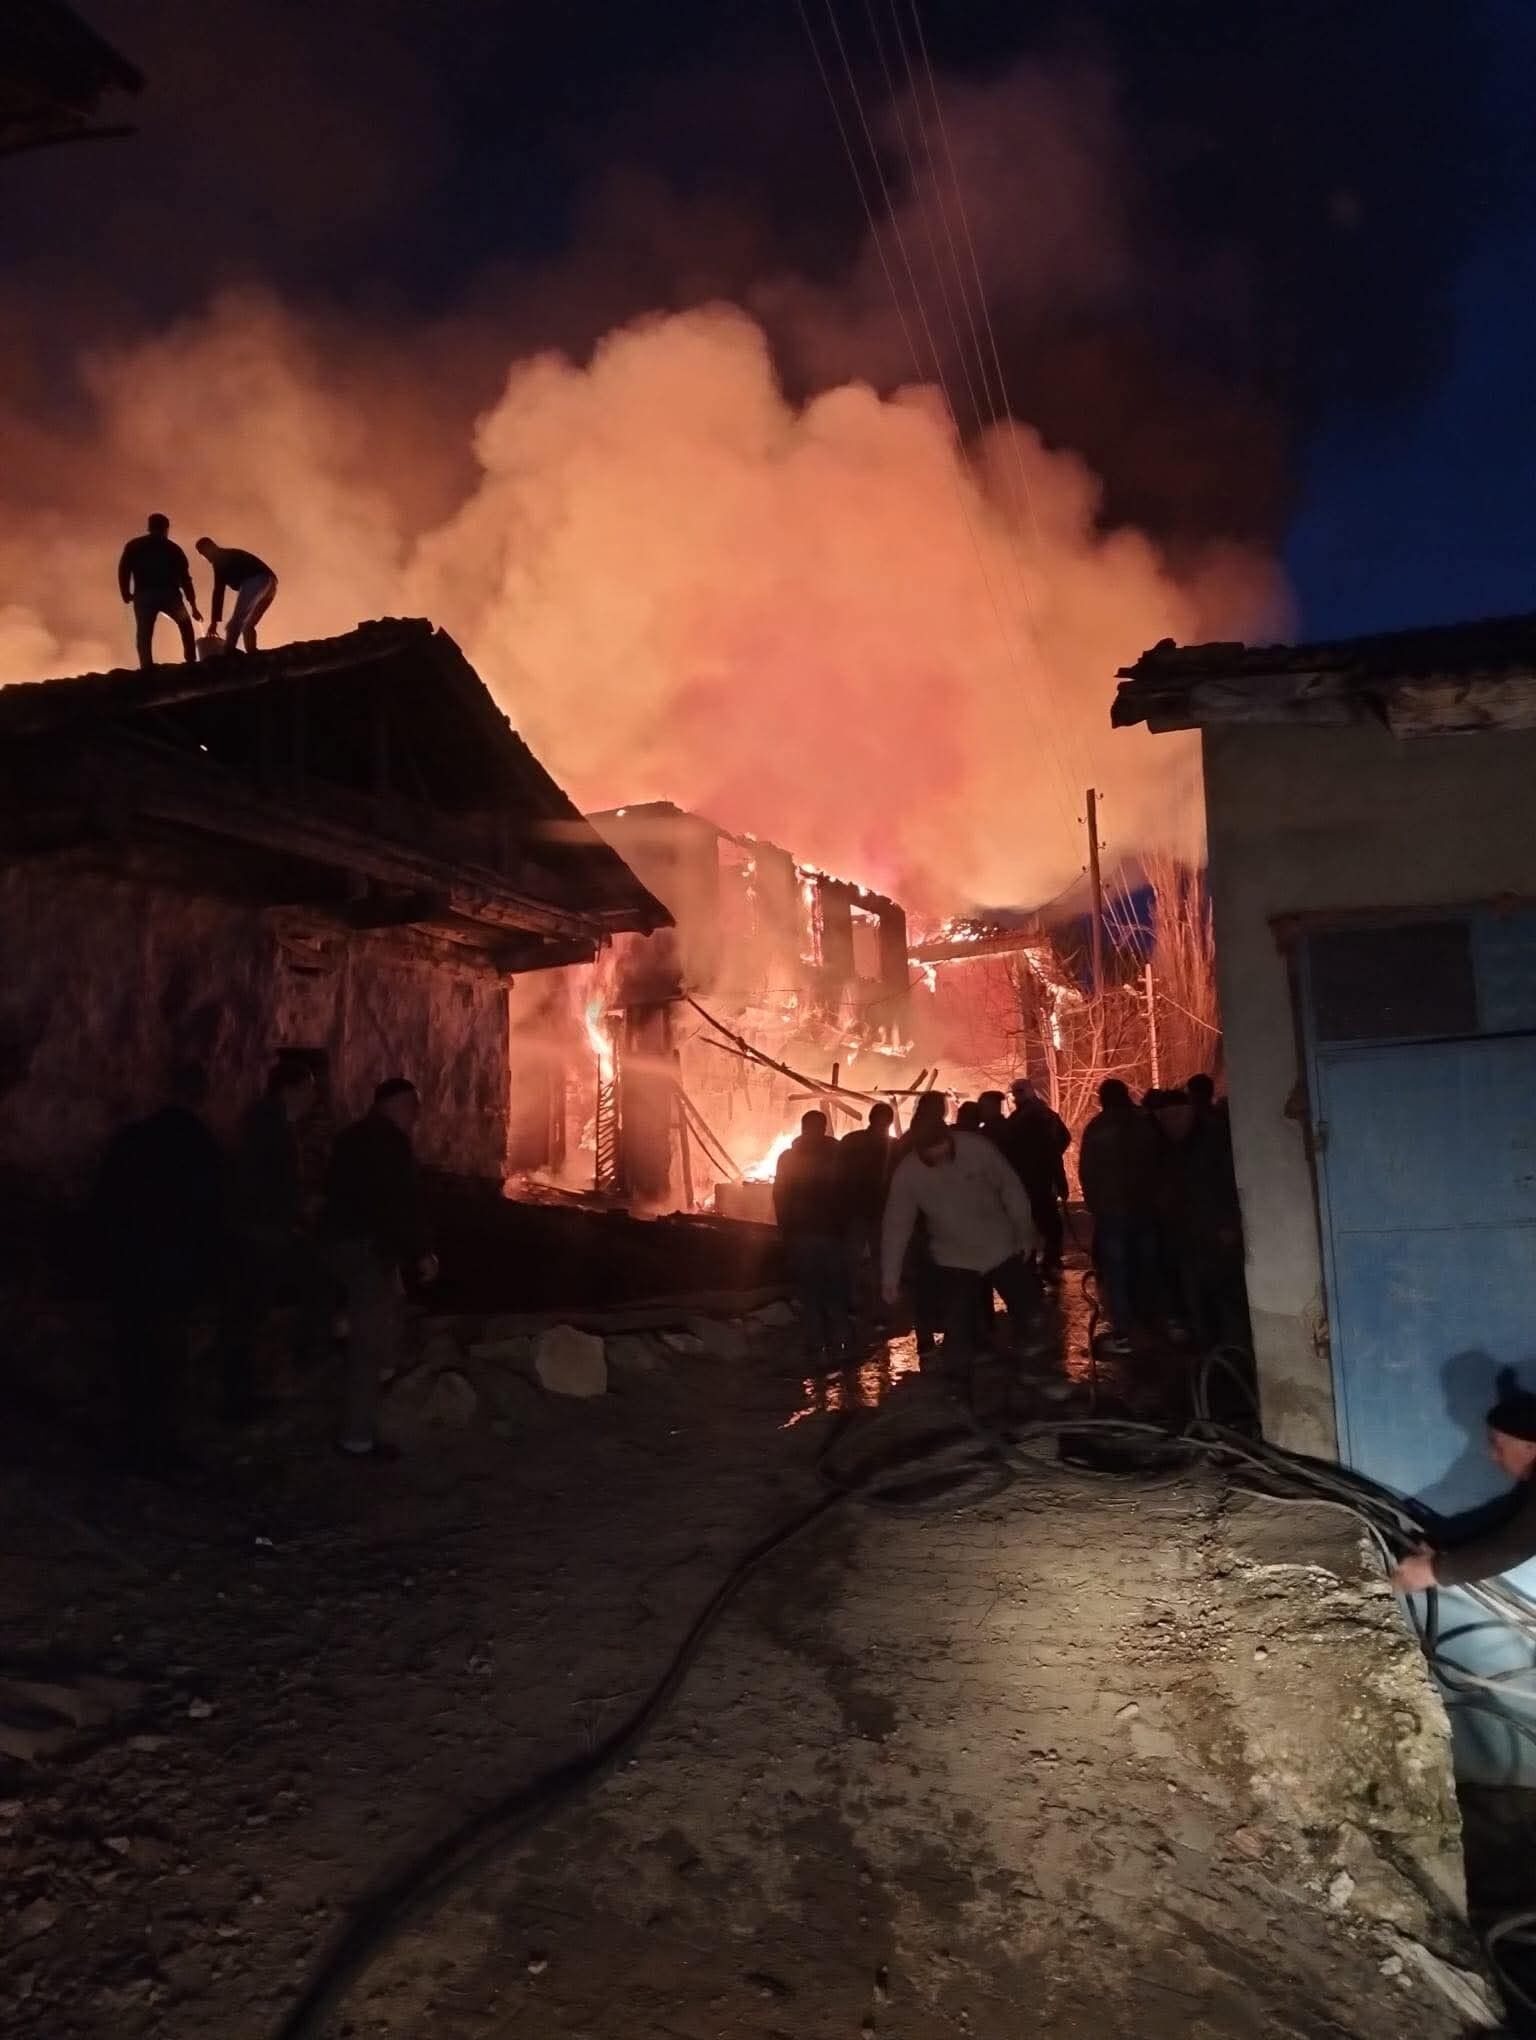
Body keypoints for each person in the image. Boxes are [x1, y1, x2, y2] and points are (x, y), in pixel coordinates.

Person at [93, 1063, 226, 1476]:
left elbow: (106, 1205)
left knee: (134, 1351)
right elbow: (209, 1215)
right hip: (172, 1270)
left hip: (132, 1266)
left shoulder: (130, 1142)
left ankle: (136, 1436)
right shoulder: (199, 1147)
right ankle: (158, 1443)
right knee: (165, 1359)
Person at [322, 1078, 437, 1459]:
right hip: (368, 1251)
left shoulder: (351, 1136)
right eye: (414, 1108)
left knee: (386, 1317)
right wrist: (420, 1252)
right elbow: (399, 1202)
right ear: (399, 1105)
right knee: (369, 1341)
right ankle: (357, 1438)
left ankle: (377, 1372)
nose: (417, 1117)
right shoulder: (389, 1143)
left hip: (348, 1247)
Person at [881, 1118, 1041, 1372]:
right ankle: (971, 1376)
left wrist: (1024, 1231)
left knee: (1027, 1310)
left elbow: (1011, 1188)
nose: (941, 1161)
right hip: (953, 1258)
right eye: (933, 1157)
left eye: (945, 1152)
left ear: (950, 1139)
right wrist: (890, 1276)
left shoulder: (978, 1149)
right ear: (920, 1151)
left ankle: (1033, 1364)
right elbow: (897, 1224)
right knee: (961, 1323)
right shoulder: (908, 1173)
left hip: (999, 1245)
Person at [219, 1057, 330, 1421]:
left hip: (258, 1232)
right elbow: (267, 1182)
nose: (314, 1096)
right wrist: (297, 1210)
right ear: (291, 1088)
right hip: (260, 1235)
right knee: (249, 1315)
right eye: (309, 1088)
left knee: (249, 1315)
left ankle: (244, 1392)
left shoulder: (267, 1122)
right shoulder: (270, 1126)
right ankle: (242, 1396)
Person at [1393, 1378, 1536, 1591]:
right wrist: (1441, 1543)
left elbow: (1517, 1543)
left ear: (1530, 1447)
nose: (1493, 1456)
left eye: (1498, 1446)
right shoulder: (1526, 1491)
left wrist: (1431, 1571)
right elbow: (1503, 1521)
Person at [1152, 1086, 1248, 1352]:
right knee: (1198, 1299)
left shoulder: (1212, 1140)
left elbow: (1229, 1182)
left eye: (1177, 1116)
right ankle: (1211, 1356)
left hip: (1215, 1236)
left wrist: (1228, 1224)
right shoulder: (1167, 1146)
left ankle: (1233, 1358)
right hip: (1186, 1237)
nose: (1173, 1123)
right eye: (1167, 1118)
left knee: (1225, 1299)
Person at [1078, 1078, 1162, 1354]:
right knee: (1148, 1264)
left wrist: (1094, 1203)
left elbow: (1088, 1171)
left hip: (1112, 1209)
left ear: (1103, 1099)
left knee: (1117, 1270)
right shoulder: (1146, 1122)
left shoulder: (1097, 1128)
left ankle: (1124, 1331)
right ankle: (1154, 1323)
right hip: (1147, 1205)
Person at [773, 1110, 853, 1366]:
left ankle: (815, 1342)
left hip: (802, 1234)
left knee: (809, 1290)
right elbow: (848, 1192)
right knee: (835, 1288)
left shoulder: (788, 1158)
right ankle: (841, 1341)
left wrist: (785, 1230)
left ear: (803, 1127)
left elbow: (780, 1195)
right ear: (825, 1128)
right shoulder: (839, 1156)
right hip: (832, 1233)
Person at [997, 1078, 1071, 1281]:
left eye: (1019, 1092)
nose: (1017, 1096)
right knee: (1048, 1224)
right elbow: (1064, 1139)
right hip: (1040, 1179)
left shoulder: (1022, 1119)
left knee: (1035, 1224)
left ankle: (1038, 1265)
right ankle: (1049, 1262)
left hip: (1030, 1181)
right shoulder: (1044, 1115)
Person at [118, 513, 201, 670]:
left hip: (144, 595)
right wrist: (193, 606)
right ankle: (191, 661)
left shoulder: (134, 545)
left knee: (144, 632)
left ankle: (146, 666)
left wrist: (125, 592)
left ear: (149, 527)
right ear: (166, 529)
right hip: (170, 595)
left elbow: (124, 569)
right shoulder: (173, 549)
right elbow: (185, 579)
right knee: (186, 626)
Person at [840, 1102, 895, 1317]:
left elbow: (838, 1176)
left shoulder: (851, 1141)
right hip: (878, 1212)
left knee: (853, 1259)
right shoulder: (893, 1146)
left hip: (859, 1211)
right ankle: (879, 1306)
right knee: (880, 1261)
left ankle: (853, 1303)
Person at [196, 536, 278, 653]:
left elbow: (218, 592)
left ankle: (229, 651)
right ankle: (252, 652)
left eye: (203, 553)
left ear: (209, 548)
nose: (205, 557)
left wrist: (214, 622)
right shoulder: (228, 555)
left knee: (237, 619)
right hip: (271, 583)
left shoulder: (219, 560)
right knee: (248, 623)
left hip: (256, 580)